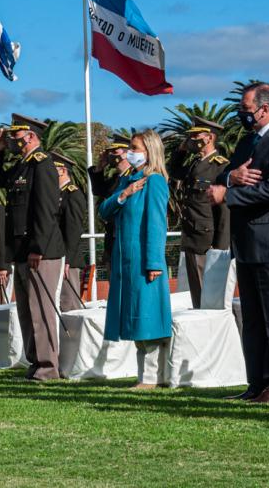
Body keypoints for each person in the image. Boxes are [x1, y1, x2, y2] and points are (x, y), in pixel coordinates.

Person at [208, 82, 269, 403]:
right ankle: (256, 382)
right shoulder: (247, 142)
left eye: (246, 110)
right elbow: (224, 175)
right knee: (253, 320)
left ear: (264, 109)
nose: (242, 115)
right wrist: (230, 179)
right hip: (247, 243)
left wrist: (229, 194)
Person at [0, 113, 65, 381]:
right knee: (26, 311)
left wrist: (38, 247)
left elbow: (45, 211)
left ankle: (48, 366)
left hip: (39, 251)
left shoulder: (42, 165)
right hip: (22, 249)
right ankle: (36, 363)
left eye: (15, 135)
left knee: (40, 309)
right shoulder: (23, 165)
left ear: (30, 136)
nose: (11, 140)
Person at [99, 130, 172, 388]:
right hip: (125, 259)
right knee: (132, 315)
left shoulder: (155, 181)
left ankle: (152, 377)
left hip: (144, 260)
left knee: (147, 316)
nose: (130, 152)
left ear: (150, 151)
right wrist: (124, 193)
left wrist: (153, 261)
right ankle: (147, 375)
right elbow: (104, 210)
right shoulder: (130, 180)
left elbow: (156, 224)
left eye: (135, 147)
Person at [167, 117, 231, 308]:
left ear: (209, 137)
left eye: (195, 136)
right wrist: (181, 150)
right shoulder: (194, 163)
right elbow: (174, 171)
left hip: (207, 239)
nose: (191, 140)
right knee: (197, 295)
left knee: (209, 296)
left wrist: (220, 246)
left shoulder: (220, 166)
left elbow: (224, 210)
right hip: (192, 235)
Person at [88, 133, 133, 276]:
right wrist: (99, 168)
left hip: (125, 238)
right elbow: (98, 191)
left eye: (114, 151)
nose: (111, 155)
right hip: (112, 241)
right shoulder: (116, 178)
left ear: (126, 154)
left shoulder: (132, 177)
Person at [52, 152, 86, 312]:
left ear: (63, 170)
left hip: (68, 259)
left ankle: (72, 337)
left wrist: (67, 260)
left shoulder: (72, 194)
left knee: (69, 304)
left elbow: (74, 230)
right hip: (57, 256)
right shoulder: (55, 194)